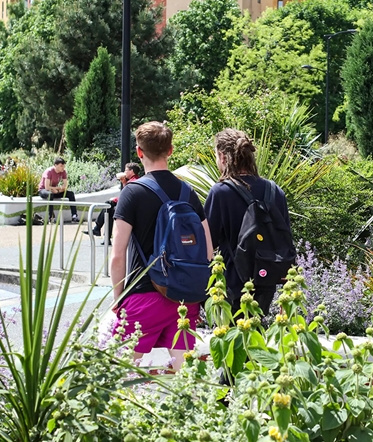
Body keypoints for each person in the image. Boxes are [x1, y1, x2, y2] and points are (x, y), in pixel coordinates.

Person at [110, 122, 212, 370]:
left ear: (139, 152)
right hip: (184, 299)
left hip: (144, 296)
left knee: (116, 376)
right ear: (171, 150)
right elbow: (208, 250)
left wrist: (118, 299)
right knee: (185, 379)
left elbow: (117, 255)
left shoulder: (132, 192)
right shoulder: (188, 192)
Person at [204, 128, 291, 315]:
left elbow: (208, 245)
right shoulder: (275, 191)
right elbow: (285, 241)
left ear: (223, 156)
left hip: (231, 284)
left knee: (233, 339)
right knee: (256, 336)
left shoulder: (220, 192)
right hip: (267, 281)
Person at [84, 162, 141, 243]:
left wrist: (114, 199)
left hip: (129, 208)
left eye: (126, 170)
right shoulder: (134, 180)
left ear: (131, 171)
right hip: (130, 206)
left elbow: (126, 196)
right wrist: (124, 183)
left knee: (109, 204)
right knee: (109, 209)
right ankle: (103, 234)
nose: (124, 172)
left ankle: (98, 228)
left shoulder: (133, 181)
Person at [38, 157, 79, 223]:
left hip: (54, 190)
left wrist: (60, 190)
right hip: (43, 190)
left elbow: (65, 185)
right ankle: (51, 218)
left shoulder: (63, 172)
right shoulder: (49, 171)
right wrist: (57, 189)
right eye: (61, 166)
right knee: (50, 194)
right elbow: (47, 187)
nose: (63, 167)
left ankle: (74, 216)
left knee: (70, 194)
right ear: (55, 165)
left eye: (64, 166)